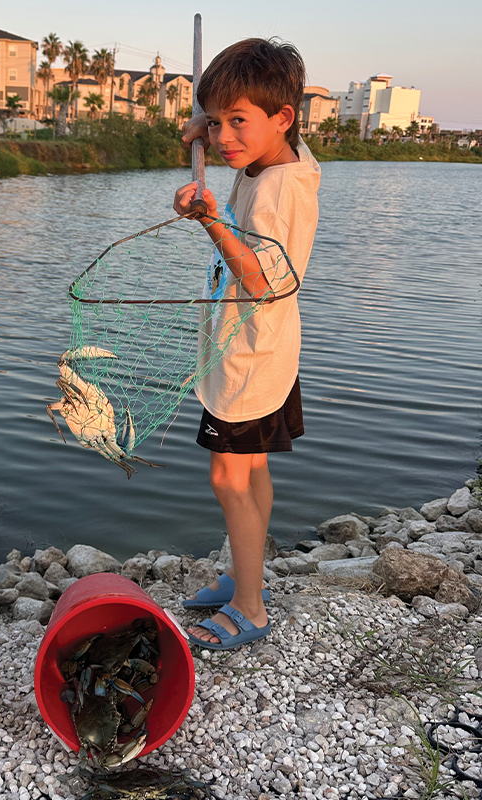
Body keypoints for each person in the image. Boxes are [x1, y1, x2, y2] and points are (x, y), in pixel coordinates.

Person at [172, 38, 320, 650]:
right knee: (252, 471)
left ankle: (251, 607)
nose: (225, 137)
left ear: (282, 118)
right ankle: (245, 572)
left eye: (240, 122)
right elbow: (236, 130)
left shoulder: (279, 190)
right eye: (218, 120)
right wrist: (205, 127)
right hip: (264, 352)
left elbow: (263, 281)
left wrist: (208, 217)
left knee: (228, 480)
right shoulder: (277, 160)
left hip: (248, 355)